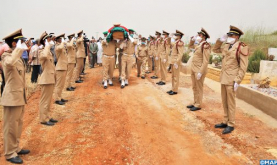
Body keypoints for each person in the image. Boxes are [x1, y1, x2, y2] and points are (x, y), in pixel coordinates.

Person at [213, 25, 249, 134]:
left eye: (232, 35)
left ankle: (231, 123)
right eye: (228, 35)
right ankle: (225, 120)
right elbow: (215, 49)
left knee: (231, 102)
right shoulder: (226, 45)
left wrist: (238, 80)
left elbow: (243, 66)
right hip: (224, 77)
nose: (229, 36)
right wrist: (220, 40)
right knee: (224, 101)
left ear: (237, 36)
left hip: (232, 79)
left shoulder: (241, 47)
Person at [1, 29, 30, 164]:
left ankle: (15, 147)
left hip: (19, 96)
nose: (24, 44)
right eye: (21, 42)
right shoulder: (6, 56)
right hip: (11, 98)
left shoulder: (16, 56)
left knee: (18, 124)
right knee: (11, 126)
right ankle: (9, 153)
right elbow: (9, 63)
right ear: (14, 44)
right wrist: (18, 50)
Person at [186, 28, 211, 111]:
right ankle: (195, 102)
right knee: (194, 87)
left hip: (199, 70)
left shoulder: (206, 45)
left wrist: (201, 71)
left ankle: (198, 104)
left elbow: (205, 60)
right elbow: (190, 46)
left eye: (199, 35)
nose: (198, 37)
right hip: (194, 68)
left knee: (199, 87)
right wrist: (192, 40)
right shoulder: (199, 45)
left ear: (204, 37)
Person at [38, 31, 58, 126]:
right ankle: (43, 119)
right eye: (48, 40)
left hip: (50, 78)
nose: (50, 41)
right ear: (44, 41)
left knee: (48, 100)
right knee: (44, 100)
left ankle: (48, 116)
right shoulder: (42, 51)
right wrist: (46, 45)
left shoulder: (48, 51)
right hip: (46, 79)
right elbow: (44, 56)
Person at [167, 30, 184, 95]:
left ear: (179, 36)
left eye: (176, 35)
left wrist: (177, 62)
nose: (175, 36)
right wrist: (169, 37)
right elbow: (168, 43)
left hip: (176, 62)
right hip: (173, 61)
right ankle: (173, 89)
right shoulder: (175, 42)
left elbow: (180, 54)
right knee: (173, 76)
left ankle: (175, 90)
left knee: (176, 77)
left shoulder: (180, 43)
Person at [54, 34, 68, 105]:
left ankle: (60, 96)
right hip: (60, 68)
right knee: (59, 84)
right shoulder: (57, 46)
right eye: (60, 39)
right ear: (57, 40)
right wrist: (63, 42)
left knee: (62, 84)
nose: (61, 40)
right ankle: (57, 99)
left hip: (63, 67)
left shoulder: (61, 46)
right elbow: (61, 46)